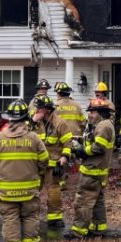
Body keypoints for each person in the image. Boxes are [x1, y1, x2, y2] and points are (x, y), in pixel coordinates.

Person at [0, 99, 49, 242]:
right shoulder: (34, 138)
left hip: (5, 193)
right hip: (29, 192)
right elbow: (44, 161)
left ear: (8, 118)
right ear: (26, 118)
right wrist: (36, 175)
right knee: (30, 219)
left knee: (10, 222)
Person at [64, 98, 115, 239]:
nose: (90, 115)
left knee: (83, 202)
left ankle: (78, 232)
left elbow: (98, 148)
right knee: (98, 202)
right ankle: (98, 229)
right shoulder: (105, 125)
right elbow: (96, 142)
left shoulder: (103, 126)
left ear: (100, 112)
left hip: (92, 171)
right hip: (98, 172)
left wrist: (82, 151)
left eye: (92, 112)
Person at [30, 94, 73, 229]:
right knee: (31, 191)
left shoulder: (60, 123)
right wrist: (31, 122)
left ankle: (55, 218)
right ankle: (29, 217)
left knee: (54, 191)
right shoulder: (33, 122)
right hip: (36, 165)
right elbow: (22, 134)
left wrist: (64, 157)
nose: (36, 111)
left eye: (39, 109)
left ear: (47, 110)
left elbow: (68, 142)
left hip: (52, 165)